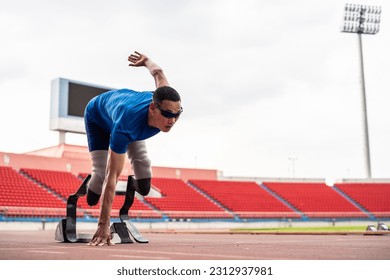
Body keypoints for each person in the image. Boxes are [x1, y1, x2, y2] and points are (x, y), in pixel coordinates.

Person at [84, 51, 182, 246]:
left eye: (177, 114)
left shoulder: (166, 97)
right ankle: (90, 189)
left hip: (130, 116)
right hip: (98, 115)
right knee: (102, 174)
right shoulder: (126, 125)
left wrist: (146, 61)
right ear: (153, 108)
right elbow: (113, 177)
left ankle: (131, 185)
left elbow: (158, 72)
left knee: (144, 181)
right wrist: (103, 225)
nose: (172, 120)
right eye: (167, 114)